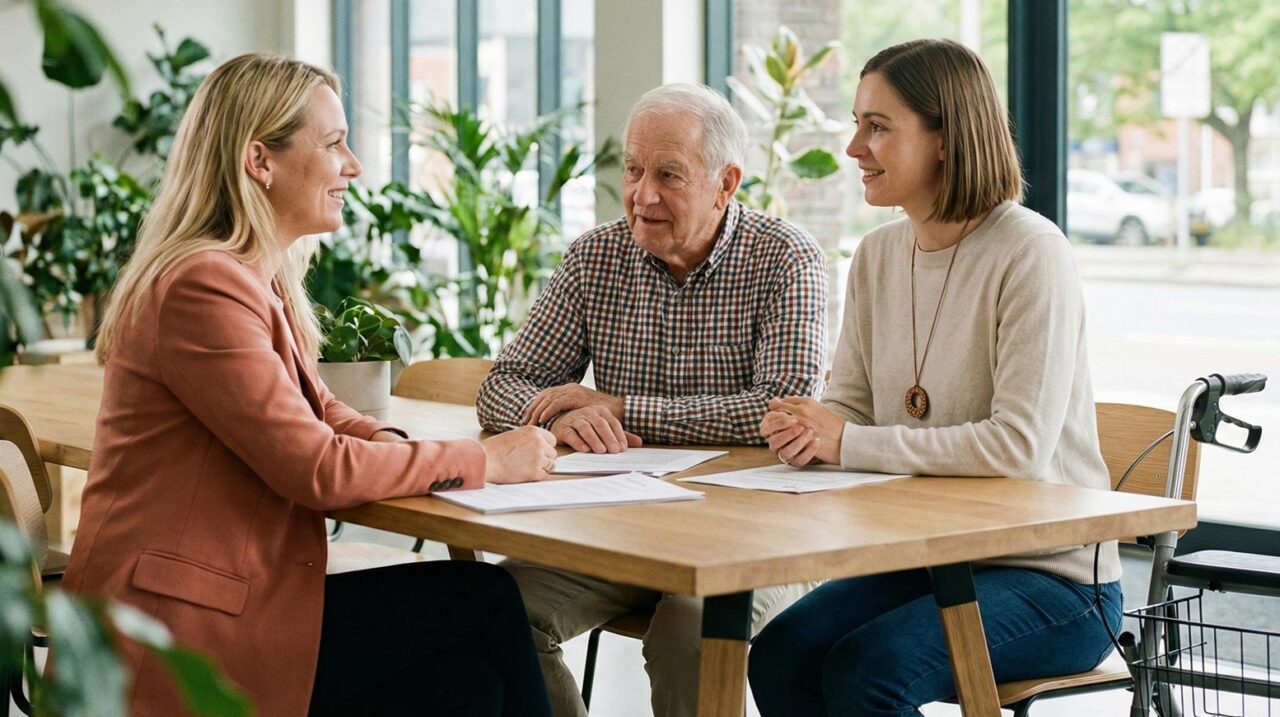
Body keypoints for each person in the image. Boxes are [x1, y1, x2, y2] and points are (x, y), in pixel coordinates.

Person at [61, 53, 556, 717]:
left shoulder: (249, 277)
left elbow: (320, 412)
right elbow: (315, 467)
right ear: (259, 161)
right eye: (333, 144)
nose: (353, 164)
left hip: (227, 603)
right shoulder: (202, 286)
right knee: (486, 601)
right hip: (178, 629)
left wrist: (383, 439)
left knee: (467, 686)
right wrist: (485, 458)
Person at [747, 38, 1123, 717]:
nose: (853, 147)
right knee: (781, 652)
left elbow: (1016, 447)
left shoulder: (1031, 253)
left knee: (870, 672)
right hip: (928, 559)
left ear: (946, 138)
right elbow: (850, 409)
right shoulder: (878, 254)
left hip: (1056, 578)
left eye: (878, 127)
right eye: (857, 123)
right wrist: (806, 432)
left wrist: (844, 442)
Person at [475, 83, 827, 717]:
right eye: (633, 170)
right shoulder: (595, 257)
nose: (642, 195)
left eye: (668, 174)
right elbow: (504, 385)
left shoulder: (785, 258)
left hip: (755, 534)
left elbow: (782, 409)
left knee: (693, 629)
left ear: (726, 183)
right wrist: (566, 415)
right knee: (496, 606)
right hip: (622, 521)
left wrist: (619, 408)